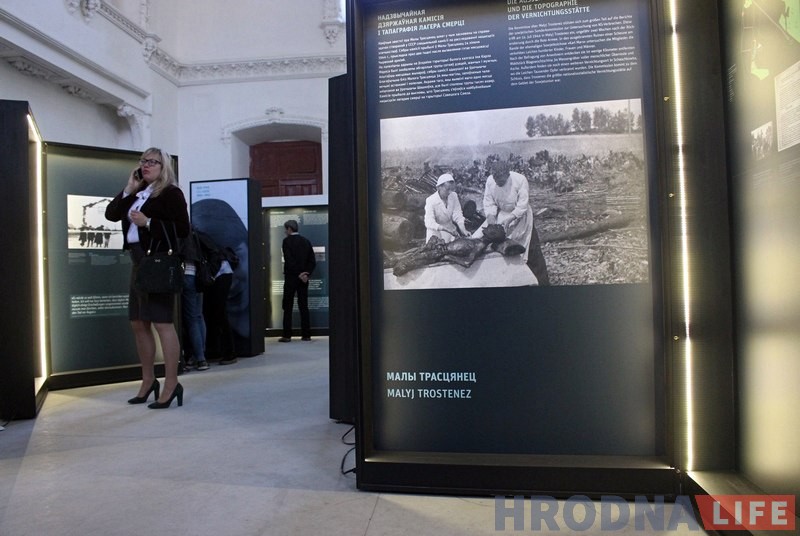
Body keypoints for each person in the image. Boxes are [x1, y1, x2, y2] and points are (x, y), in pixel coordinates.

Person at [105, 147, 189, 409]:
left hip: (159, 261)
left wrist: (149, 222)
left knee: (162, 323)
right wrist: (129, 188)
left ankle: (172, 383)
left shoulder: (171, 193)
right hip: (138, 261)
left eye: (152, 162)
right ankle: (148, 380)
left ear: (163, 166)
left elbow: (183, 230)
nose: (146, 166)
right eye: (143, 161)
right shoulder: (137, 194)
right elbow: (111, 213)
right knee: (138, 323)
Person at [477, 160, 550, 285]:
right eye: (496, 179)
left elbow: (522, 205)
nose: (498, 182)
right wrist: (491, 220)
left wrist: (510, 218)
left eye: (501, 180)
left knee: (531, 250)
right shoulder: (490, 181)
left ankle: (542, 283)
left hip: (521, 217)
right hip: (501, 215)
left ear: (507, 174)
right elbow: (489, 203)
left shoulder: (520, 180)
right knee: (489, 246)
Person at [392, 224, 524, 276]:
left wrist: (448, 257)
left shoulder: (479, 246)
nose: (490, 225)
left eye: (492, 227)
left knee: (401, 266)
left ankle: (395, 263)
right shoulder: (478, 240)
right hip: (439, 246)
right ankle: (395, 260)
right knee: (404, 257)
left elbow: (467, 263)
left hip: (439, 253)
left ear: (491, 235)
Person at [280, 219, 316, 342]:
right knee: (303, 305)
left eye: (286, 229)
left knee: (288, 305)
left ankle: (287, 335)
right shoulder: (306, 241)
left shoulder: (286, 242)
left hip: (291, 277)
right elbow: (312, 261)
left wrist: (298, 273)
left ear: (289, 229)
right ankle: (306, 334)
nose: (285, 231)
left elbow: (289, 260)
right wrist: (306, 273)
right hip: (303, 278)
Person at [203, 242, 238, 365]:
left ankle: (228, 352)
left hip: (220, 273)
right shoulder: (198, 236)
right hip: (221, 271)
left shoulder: (193, 237)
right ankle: (219, 351)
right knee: (216, 312)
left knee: (218, 312)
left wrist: (211, 274)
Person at [180, 229, 208, 371]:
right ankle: (201, 355)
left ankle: (200, 358)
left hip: (186, 276)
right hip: (198, 276)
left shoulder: (180, 232)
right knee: (198, 316)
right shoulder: (194, 233)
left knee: (191, 319)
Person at [424, 173, 469, 243]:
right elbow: (429, 222)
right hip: (435, 234)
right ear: (439, 187)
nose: (450, 192)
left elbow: (457, 214)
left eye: (452, 189)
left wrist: (463, 229)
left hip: (450, 233)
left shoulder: (453, 196)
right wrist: (446, 229)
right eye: (447, 189)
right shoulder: (430, 200)